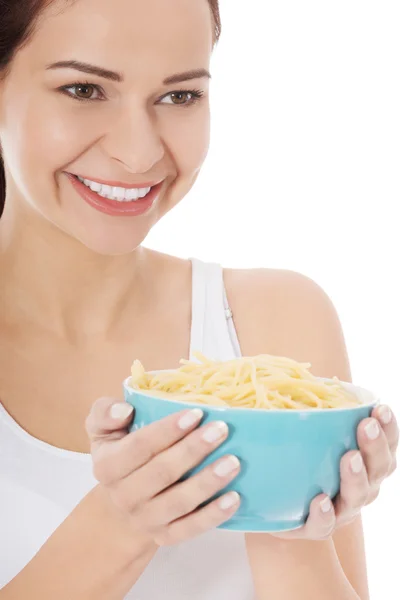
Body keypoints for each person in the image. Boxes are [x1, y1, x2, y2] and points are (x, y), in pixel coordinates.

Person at [0, 0, 397, 598]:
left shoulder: (277, 320)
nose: (139, 153)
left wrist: (292, 525)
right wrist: (118, 527)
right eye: (83, 89)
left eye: (179, 96)